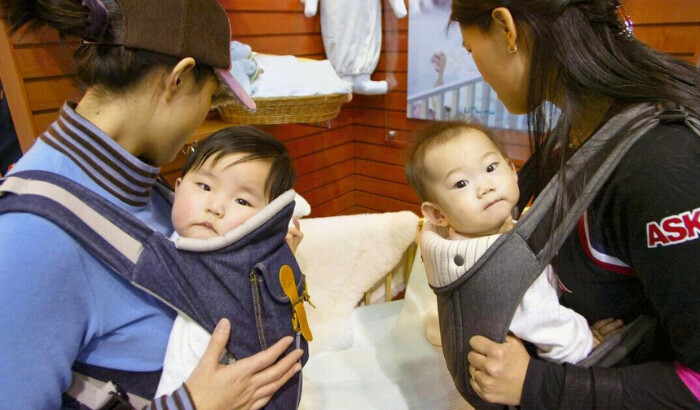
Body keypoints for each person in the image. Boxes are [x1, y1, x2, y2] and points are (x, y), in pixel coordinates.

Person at [0, 1, 303, 409]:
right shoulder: (30, 239)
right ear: (177, 81)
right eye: (209, 98)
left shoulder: (142, 185)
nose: (200, 120)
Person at [450, 0, 700, 407]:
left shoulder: (663, 166)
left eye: (469, 49)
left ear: (506, 28)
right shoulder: (577, 135)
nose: (474, 63)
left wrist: (537, 384)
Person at [405, 121, 622, 362]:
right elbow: (547, 325)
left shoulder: (474, 241)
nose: (485, 187)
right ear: (438, 214)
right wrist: (587, 342)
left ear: (511, 169)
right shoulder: (501, 265)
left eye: (490, 167)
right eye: (461, 183)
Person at [157, 125, 303, 397]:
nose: (215, 207)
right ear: (177, 188)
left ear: (268, 219)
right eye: (204, 186)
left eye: (242, 200)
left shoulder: (241, 272)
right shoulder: (163, 242)